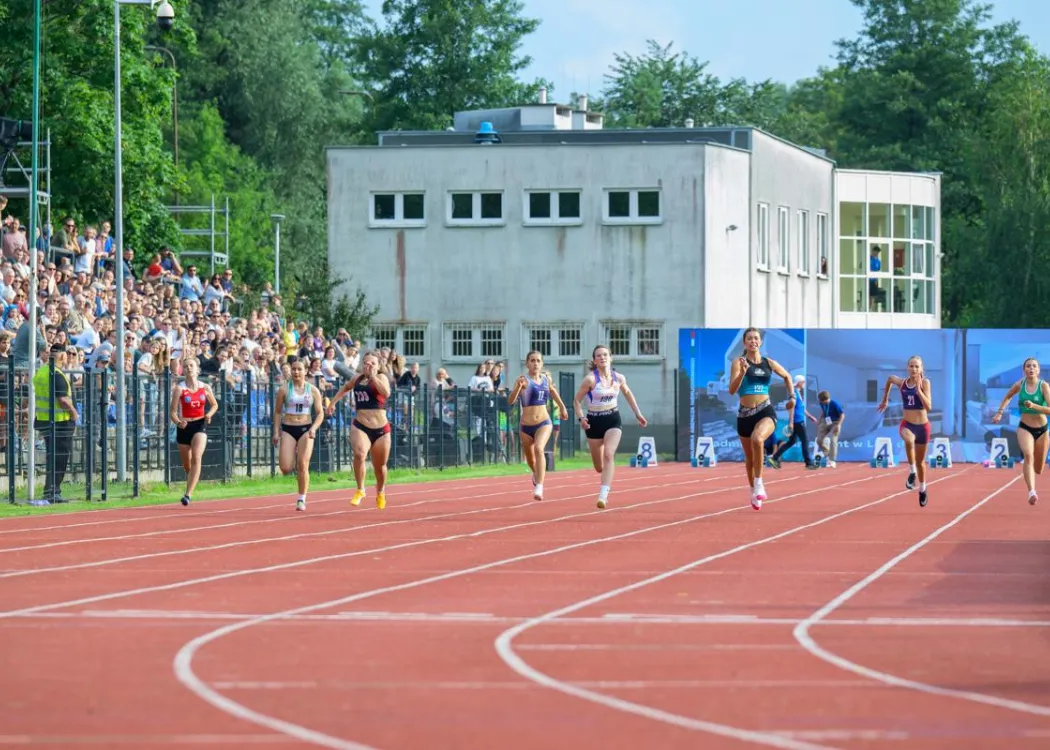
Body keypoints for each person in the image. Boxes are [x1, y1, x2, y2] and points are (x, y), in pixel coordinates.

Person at [572, 344, 647, 509]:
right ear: (594, 360)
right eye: (598, 355)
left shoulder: (619, 378)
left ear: (610, 358)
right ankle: (602, 477)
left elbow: (627, 393)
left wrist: (638, 413)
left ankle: (603, 496)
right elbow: (576, 400)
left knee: (608, 455)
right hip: (594, 422)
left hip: (613, 419)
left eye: (605, 355)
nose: (602, 358)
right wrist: (581, 418)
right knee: (599, 466)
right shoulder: (590, 380)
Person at [728, 328, 795, 510]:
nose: (753, 341)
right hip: (744, 414)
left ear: (760, 342)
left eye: (756, 338)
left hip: (765, 410)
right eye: (749, 338)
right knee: (749, 458)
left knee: (758, 439)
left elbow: (787, 376)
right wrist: (742, 373)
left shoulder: (768, 363)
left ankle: (759, 484)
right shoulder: (738, 362)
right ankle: (753, 491)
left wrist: (792, 397)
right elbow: (732, 390)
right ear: (744, 343)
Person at [327, 350, 391, 509]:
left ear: (378, 365)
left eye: (372, 363)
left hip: (381, 428)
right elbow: (345, 388)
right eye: (366, 363)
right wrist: (333, 403)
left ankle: (380, 490)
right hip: (361, 424)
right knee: (359, 453)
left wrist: (374, 377)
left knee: (380, 466)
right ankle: (360, 489)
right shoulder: (357, 378)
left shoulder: (381, 377)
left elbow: (386, 393)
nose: (368, 366)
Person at [508, 350, 568, 500]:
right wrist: (518, 388)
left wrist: (562, 407)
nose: (535, 363)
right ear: (527, 363)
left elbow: (553, 392)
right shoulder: (523, 380)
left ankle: (540, 487)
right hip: (526, 426)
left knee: (539, 448)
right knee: (530, 458)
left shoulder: (546, 380)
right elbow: (510, 401)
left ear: (542, 364)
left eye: (538, 361)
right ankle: (536, 473)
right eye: (532, 360)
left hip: (543, 422)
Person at [992, 357, 1049, 506]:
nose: (1031, 368)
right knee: (1028, 456)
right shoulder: (1019, 384)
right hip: (1025, 427)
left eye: (1034, 366)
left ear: (1038, 370)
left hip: (1042, 430)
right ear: (1024, 370)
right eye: (1028, 366)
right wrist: (999, 412)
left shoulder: (1044, 387)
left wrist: (1034, 406)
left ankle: (1035, 476)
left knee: (1039, 469)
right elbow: (1007, 397)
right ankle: (1032, 492)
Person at [877, 355, 932, 507]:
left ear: (921, 369)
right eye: (911, 366)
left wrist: (919, 391)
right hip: (907, 424)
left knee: (922, 463)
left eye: (917, 366)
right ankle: (912, 472)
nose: (914, 369)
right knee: (909, 440)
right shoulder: (902, 383)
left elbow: (929, 407)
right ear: (907, 368)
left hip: (923, 427)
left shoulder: (925, 383)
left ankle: (922, 489)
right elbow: (889, 379)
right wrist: (885, 399)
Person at [272, 357, 325, 512]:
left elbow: (320, 413)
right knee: (285, 468)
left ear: (305, 371)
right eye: (293, 369)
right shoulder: (284, 389)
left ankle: (301, 498)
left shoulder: (313, 390)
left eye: (299, 369)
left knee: (303, 464)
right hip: (288, 428)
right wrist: (276, 432)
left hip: (306, 429)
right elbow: (277, 412)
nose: (296, 372)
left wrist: (314, 428)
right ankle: (294, 456)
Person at [32, 343, 78, 504]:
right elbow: (63, 400)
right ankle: (53, 492)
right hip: (60, 422)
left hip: (44, 419)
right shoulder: (57, 374)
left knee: (53, 457)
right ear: (63, 356)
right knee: (60, 458)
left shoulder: (42, 371)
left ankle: (50, 490)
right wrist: (74, 414)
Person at [169, 356, 218, 507]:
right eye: (185, 366)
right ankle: (192, 479)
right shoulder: (180, 388)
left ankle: (188, 494)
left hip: (199, 425)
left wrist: (209, 414)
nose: (188, 368)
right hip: (184, 427)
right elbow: (172, 412)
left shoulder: (205, 387)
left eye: (191, 365)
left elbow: (215, 404)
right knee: (188, 466)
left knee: (197, 456)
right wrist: (178, 422)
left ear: (197, 369)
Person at [768, 374, 818, 470]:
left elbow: (801, 408)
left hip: (798, 421)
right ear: (799, 383)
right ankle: (809, 463)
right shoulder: (794, 394)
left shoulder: (798, 393)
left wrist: (810, 416)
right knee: (805, 441)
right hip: (797, 422)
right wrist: (791, 422)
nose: (804, 383)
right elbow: (791, 408)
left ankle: (774, 458)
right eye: (803, 382)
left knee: (791, 441)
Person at [814, 390, 846, 468]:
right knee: (819, 440)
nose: (821, 402)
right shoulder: (821, 403)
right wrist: (820, 420)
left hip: (835, 422)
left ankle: (832, 460)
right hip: (826, 421)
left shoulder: (835, 404)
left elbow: (842, 415)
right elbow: (823, 411)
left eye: (822, 401)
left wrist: (838, 425)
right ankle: (827, 454)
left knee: (833, 440)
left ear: (825, 399)